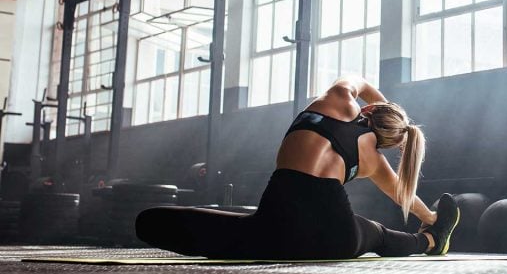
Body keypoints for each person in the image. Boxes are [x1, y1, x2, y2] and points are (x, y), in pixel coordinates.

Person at [135, 74, 460, 259]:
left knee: (149, 221)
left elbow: (358, 80)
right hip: (336, 242)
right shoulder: (373, 161)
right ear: (387, 141)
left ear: (370, 107)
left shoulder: (338, 101)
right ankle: (431, 239)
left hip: (273, 231)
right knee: (374, 233)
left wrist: (384, 102)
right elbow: (404, 195)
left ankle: (430, 236)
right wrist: (431, 218)